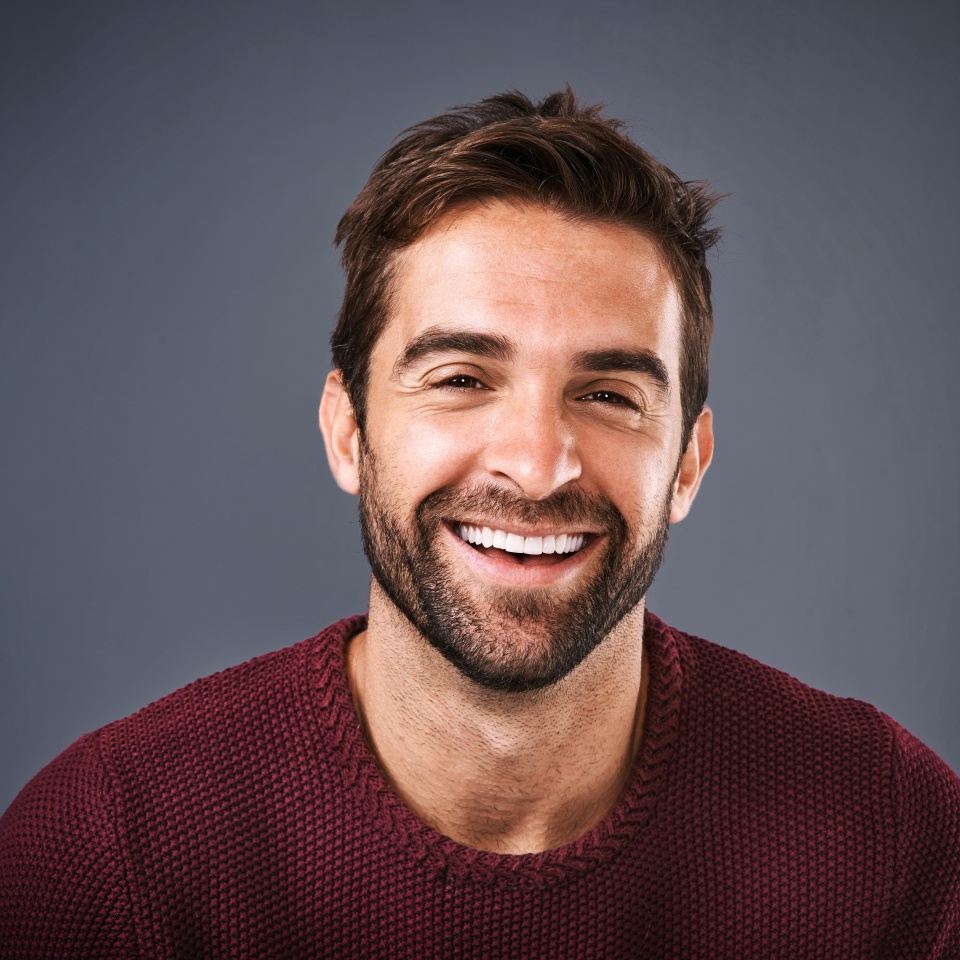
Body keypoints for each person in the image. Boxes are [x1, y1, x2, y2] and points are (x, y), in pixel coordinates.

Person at [1, 88, 958, 959]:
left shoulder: (895, 842)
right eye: (461, 380)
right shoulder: (105, 850)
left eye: (611, 394)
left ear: (689, 465)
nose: (537, 464)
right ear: (348, 431)